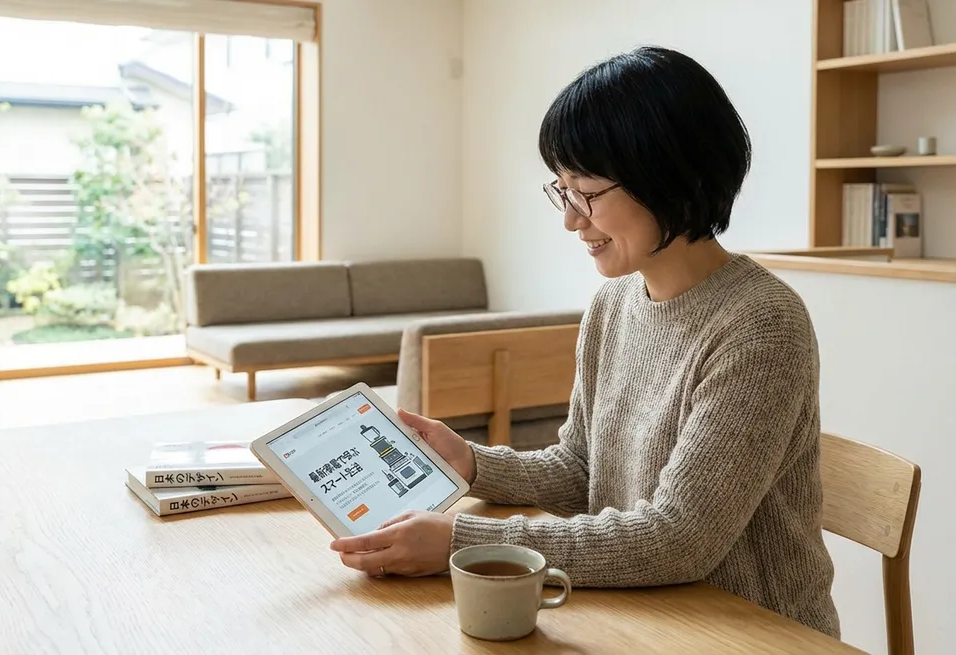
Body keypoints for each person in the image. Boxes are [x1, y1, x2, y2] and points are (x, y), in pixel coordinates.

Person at [328, 45, 841, 639]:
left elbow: (678, 541)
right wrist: (471, 462)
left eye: (588, 193)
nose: (571, 220)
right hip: (648, 616)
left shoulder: (761, 324)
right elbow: (581, 471)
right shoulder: (614, 303)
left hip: (751, 634)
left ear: (673, 175)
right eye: (562, 190)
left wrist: (460, 541)